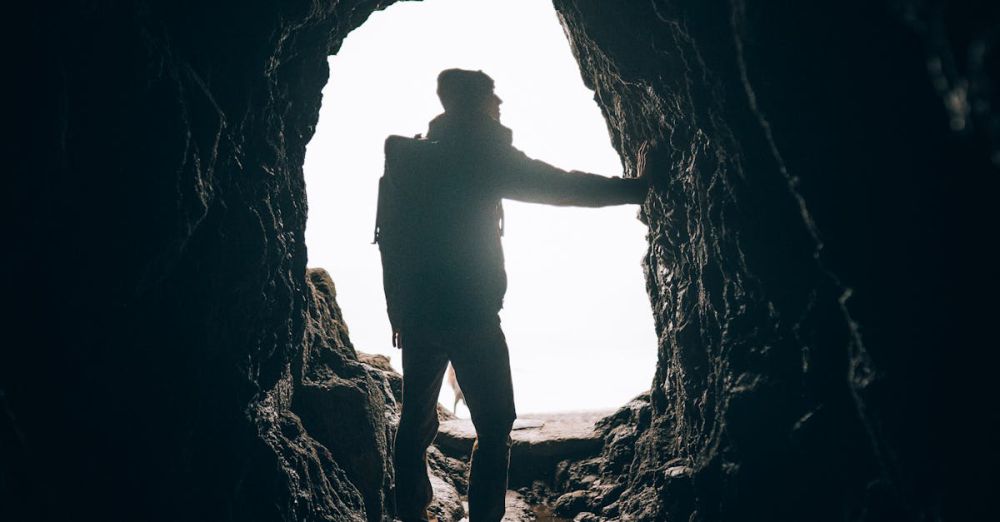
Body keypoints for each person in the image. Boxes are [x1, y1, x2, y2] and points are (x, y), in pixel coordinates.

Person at [377, 68, 649, 522]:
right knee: (496, 422)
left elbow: (389, 237)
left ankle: (411, 514)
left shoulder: (412, 156)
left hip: (419, 311)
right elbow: (558, 186)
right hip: (471, 313)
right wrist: (635, 189)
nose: (500, 102)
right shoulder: (480, 152)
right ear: (471, 103)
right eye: (491, 95)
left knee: (415, 424)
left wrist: (397, 312)